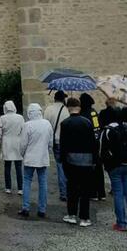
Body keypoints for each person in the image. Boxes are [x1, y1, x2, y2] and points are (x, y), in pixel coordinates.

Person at [100, 107, 127, 234]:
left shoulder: (108, 130)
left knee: (118, 194)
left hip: (115, 166)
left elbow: (102, 150)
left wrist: (106, 164)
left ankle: (121, 223)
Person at [59, 97, 96, 227]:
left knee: (72, 188)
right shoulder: (87, 123)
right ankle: (85, 217)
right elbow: (93, 143)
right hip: (87, 160)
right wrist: (94, 160)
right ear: (79, 107)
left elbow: (63, 145)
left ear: (68, 108)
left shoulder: (65, 123)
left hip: (70, 161)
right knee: (85, 190)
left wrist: (62, 160)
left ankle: (72, 214)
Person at [18, 103, 53, 218]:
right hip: (42, 157)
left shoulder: (27, 125)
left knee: (27, 182)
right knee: (42, 183)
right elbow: (50, 142)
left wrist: (22, 154)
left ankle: (25, 208)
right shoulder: (47, 124)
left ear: (29, 113)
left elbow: (23, 144)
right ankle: (42, 209)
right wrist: (47, 150)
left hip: (30, 157)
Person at [44, 90, 70, 201]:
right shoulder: (67, 110)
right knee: (68, 166)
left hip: (55, 141)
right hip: (67, 141)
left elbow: (46, 126)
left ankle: (63, 193)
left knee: (60, 166)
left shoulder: (48, 109)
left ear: (54, 98)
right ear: (63, 98)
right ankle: (69, 191)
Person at [80, 93, 106, 201]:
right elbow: (97, 128)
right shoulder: (93, 112)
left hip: (87, 145)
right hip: (96, 145)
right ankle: (101, 192)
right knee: (98, 170)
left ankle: (93, 193)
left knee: (90, 170)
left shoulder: (84, 113)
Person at [0, 100, 25, 195]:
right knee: (18, 166)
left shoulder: (2, 118)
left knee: (7, 166)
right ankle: (20, 188)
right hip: (17, 142)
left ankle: (8, 187)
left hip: (7, 143)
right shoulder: (20, 117)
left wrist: (1, 140)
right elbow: (23, 130)